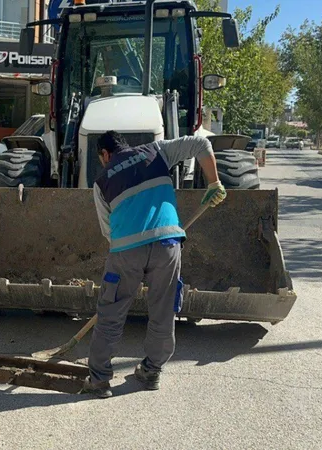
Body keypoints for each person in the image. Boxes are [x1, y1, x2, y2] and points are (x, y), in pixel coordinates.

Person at [83, 131, 227, 398]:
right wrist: (213, 183)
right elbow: (202, 143)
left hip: (126, 251)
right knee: (163, 310)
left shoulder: (101, 181)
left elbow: (108, 232)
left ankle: (99, 379)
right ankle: (152, 371)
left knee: (111, 314)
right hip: (168, 245)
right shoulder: (156, 151)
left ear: (105, 155)